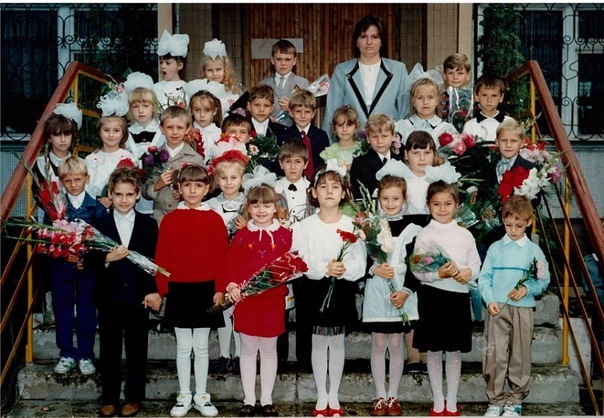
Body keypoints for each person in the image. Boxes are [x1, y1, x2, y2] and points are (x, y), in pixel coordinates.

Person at [291, 160, 367, 417]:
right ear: (314, 193)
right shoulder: (303, 227)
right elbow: (299, 260)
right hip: (314, 288)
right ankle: (321, 396)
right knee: (318, 341)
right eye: (323, 186)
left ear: (343, 192)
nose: (329, 191)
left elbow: (360, 262)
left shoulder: (351, 225)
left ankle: (333, 395)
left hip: (341, 288)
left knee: (336, 342)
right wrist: (324, 268)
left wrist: (344, 268)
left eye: (335, 186)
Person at [84, 167, 161, 418]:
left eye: (129, 194)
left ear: (138, 195)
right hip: (109, 296)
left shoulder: (148, 224)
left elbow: (152, 261)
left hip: (138, 296)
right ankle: (109, 397)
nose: (124, 200)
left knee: (137, 347)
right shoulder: (99, 224)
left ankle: (134, 397)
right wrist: (108, 258)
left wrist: (152, 291)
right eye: (118, 194)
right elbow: (88, 259)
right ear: (110, 194)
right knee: (109, 347)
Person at [154, 164, 229, 418]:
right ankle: (184, 394)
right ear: (179, 188)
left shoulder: (214, 219)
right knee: (183, 347)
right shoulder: (170, 220)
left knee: (202, 347)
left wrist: (220, 288)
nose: (193, 190)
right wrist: (161, 290)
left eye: (198, 185)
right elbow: (162, 257)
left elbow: (222, 257)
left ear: (207, 188)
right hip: (179, 289)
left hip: (206, 289)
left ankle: (202, 395)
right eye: (187, 185)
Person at [363, 160, 429, 416]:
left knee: (397, 343)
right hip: (378, 290)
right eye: (385, 199)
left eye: (395, 199)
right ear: (378, 199)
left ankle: (393, 396)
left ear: (404, 200)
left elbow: (417, 264)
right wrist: (373, 269)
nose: (390, 204)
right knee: (379, 343)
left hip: (402, 290)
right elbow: (362, 259)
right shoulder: (371, 226)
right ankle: (380, 396)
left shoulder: (414, 229)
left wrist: (406, 292)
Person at [412, 181, 481, 416]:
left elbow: (475, 263)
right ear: (428, 205)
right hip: (432, 296)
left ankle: (451, 399)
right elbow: (417, 268)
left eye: (448, 204)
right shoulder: (424, 234)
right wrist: (436, 274)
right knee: (433, 350)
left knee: (453, 350)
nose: (442, 209)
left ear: (457, 205)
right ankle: (437, 399)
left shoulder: (465, 234)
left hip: (458, 298)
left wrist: (468, 273)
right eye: (436, 204)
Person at [478, 195, 550, 417]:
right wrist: (490, 299)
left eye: (519, 226)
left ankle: (515, 400)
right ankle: (495, 400)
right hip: (497, 308)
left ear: (529, 222)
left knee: (520, 354)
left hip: (523, 309)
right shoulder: (495, 249)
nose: (513, 230)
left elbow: (543, 279)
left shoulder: (534, 251)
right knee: (495, 354)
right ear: (503, 221)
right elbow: (484, 278)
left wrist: (526, 289)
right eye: (508, 225)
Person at [227, 181, 291, 418]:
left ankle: (266, 399)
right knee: (247, 349)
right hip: (247, 301)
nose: (261, 210)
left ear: (275, 208)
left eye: (266, 205)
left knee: (269, 349)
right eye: (256, 206)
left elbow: (291, 265)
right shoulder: (242, 236)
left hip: (272, 301)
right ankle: (248, 400)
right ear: (248, 208)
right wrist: (232, 285)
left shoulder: (285, 236)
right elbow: (231, 264)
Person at [51, 156, 107, 376]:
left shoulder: (97, 208)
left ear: (87, 178)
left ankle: (85, 354)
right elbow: (46, 236)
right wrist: (63, 253)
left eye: (78, 179)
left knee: (86, 310)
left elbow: (103, 241)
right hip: (62, 267)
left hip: (87, 269)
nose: (73, 185)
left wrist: (87, 258)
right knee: (62, 308)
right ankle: (66, 352)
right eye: (68, 181)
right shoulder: (55, 207)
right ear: (61, 182)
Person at [322, 15, 409, 139]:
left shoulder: (398, 70)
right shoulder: (342, 70)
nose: (369, 42)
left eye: (375, 37)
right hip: (351, 143)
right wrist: (329, 147)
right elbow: (332, 113)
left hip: (386, 142)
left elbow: (405, 113)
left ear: (382, 41)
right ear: (356, 42)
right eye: (363, 37)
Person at [206, 149, 249, 375]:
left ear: (242, 179)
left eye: (234, 177)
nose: (229, 182)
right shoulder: (211, 204)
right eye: (224, 178)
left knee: (239, 308)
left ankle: (241, 354)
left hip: (242, 264)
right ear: (216, 180)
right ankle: (224, 354)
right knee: (223, 308)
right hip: (220, 263)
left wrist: (246, 228)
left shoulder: (249, 204)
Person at [142, 106, 205, 223]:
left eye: (180, 127)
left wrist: (184, 194)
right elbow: (144, 191)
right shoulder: (153, 157)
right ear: (162, 128)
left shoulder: (196, 159)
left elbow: (204, 190)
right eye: (169, 127)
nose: (175, 132)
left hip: (187, 218)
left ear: (187, 129)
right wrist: (157, 186)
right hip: (160, 219)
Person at [123, 72, 165, 215]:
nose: (141, 111)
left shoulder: (162, 131)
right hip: (133, 192)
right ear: (130, 109)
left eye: (145, 106)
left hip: (158, 191)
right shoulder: (126, 134)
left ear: (153, 107)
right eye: (136, 106)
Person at [85, 100, 136, 208]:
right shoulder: (90, 159)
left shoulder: (129, 158)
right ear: (99, 132)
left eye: (116, 131)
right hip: (95, 207)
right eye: (106, 130)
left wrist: (112, 200)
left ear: (123, 133)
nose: (111, 135)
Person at [278, 89, 329, 180]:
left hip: (316, 181)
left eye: (307, 112)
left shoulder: (321, 135)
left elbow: (325, 164)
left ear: (313, 113)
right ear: (291, 112)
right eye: (298, 111)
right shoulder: (284, 135)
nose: (303, 116)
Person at [350, 113, 402, 199]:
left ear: (393, 136)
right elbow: (358, 196)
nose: (380, 141)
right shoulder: (360, 164)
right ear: (368, 138)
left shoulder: (401, 161)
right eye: (374, 137)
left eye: (384, 136)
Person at [395, 75, 458, 146]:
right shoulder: (401, 127)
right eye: (420, 98)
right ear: (413, 101)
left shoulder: (446, 129)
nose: (425, 102)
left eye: (430, 97)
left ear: (437, 100)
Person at [259, 39, 310, 125]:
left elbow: (308, 110)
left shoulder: (303, 84)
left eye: (287, 59)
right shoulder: (263, 84)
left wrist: (292, 108)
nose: (283, 63)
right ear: (272, 60)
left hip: (293, 130)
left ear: (294, 61)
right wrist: (264, 116)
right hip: (268, 129)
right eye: (279, 59)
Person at [462, 74, 514, 143]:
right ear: (476, 96)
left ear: (501, 97)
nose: (489, 100)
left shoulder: (510, 123)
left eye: (494, 95)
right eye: (484, 95)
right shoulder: (470, 126)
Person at [401, 131, 441, 215]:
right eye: (416, 153)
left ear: (434, 155)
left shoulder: (440, 180)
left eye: (427, 153)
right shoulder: (399, 181)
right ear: (406, 154)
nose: (422, 158)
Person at [200, 38, 244, 116]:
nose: (214, 74)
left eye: (218, 69)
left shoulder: (234, 89)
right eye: (210, 70)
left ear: (226, 69)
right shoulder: (201, 90)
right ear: (204, 71)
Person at [274, 140, 311, 223]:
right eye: (288, 161)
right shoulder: (274, 189)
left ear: (305, 164)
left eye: (298, 161)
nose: (293, 167)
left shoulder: (311, 190)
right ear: (281, 164)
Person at [320, 105, 364, 172]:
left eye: (349, 125)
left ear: (356, 127)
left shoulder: (363, 149)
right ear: (334, 128)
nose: (345, 129)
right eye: (340, 125)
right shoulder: (330, 152)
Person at [153, 29, 188, 110]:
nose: (163, 66)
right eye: (161, 62)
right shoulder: (155, 88)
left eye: (168, 63)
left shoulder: (186, 88)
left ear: (179, 66)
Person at [187, 87, 223, 159]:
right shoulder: (188, 133)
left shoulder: (219, 134)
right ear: (191, 111)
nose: (202, 115)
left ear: (214, 111)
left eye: (207, 110)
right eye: (197, 110)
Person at [440, 53, 472, 128]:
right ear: (445, 75)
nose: (455, 77)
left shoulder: (472, 98)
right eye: (451, 73)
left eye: (460, 73)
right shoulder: (440, 99)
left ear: (468, 75)